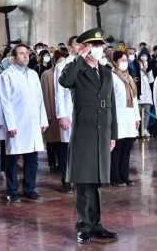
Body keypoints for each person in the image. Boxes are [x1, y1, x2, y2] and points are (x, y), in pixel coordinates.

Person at [58, 28, 118, 245]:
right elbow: (64, 82)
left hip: (102, 132)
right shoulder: (75, 69)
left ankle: (96, 224)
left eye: (101, 46)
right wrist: (79, 59)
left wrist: (114, 133)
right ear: (85, 48)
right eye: (95, 46)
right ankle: (83, 226)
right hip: (84, 133)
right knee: (84, 182)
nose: (100, 49)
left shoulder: (107, 72)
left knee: (96, 182)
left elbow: (112, 105)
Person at [0, 44, 49, 202]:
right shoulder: (6, 76)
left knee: (32, 158)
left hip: (32, 123)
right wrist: (10, 124)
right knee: (12, 159)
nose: (26, 56)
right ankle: (11, 191)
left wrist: (43, 119)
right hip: (17, 124)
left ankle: (29, 188)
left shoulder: (33, 74)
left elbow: (40, 99)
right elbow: (4, 102)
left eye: (27, 53)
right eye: (21, 54)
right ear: (13, 58)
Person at [110, 51, 140, 186]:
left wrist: (137, 117)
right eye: (122, 60)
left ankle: (125, 175)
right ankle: (115, 177)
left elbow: (134, 99)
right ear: (115, 61)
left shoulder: (129, 78)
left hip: (129, 118)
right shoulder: (112, 77)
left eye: (126, 60)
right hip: (118, 118)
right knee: (117, 149)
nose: (125, 62)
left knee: (127, 149)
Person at [55, 36, 80, 193]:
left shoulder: (87, 64)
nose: (80, 47)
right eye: (78, 44)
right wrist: (62, 115)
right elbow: (59, 93)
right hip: (68, 112)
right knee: (67, 148)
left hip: (84, 113)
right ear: (70, 47)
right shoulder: (63, 65)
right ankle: (66, 178)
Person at [41, 50, 64, 176]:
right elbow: (45, 95)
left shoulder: (66, 73)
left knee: (62, 142)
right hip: (51, 112)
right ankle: (52, 163)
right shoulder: (47, 75)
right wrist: (47, 115)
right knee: (51, 141)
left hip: (63, 114)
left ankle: (61, 164)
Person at [137, 54, 154, 138]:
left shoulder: (148, 72)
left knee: (146, 114)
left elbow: (151, 81)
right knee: (137, 114)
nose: (143, 65)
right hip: (138, 97)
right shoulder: (136, 72)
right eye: (141, 63)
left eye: (144, 64)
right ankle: (136, 130)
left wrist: (148, 71)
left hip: (147, 96)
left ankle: (144, 129)